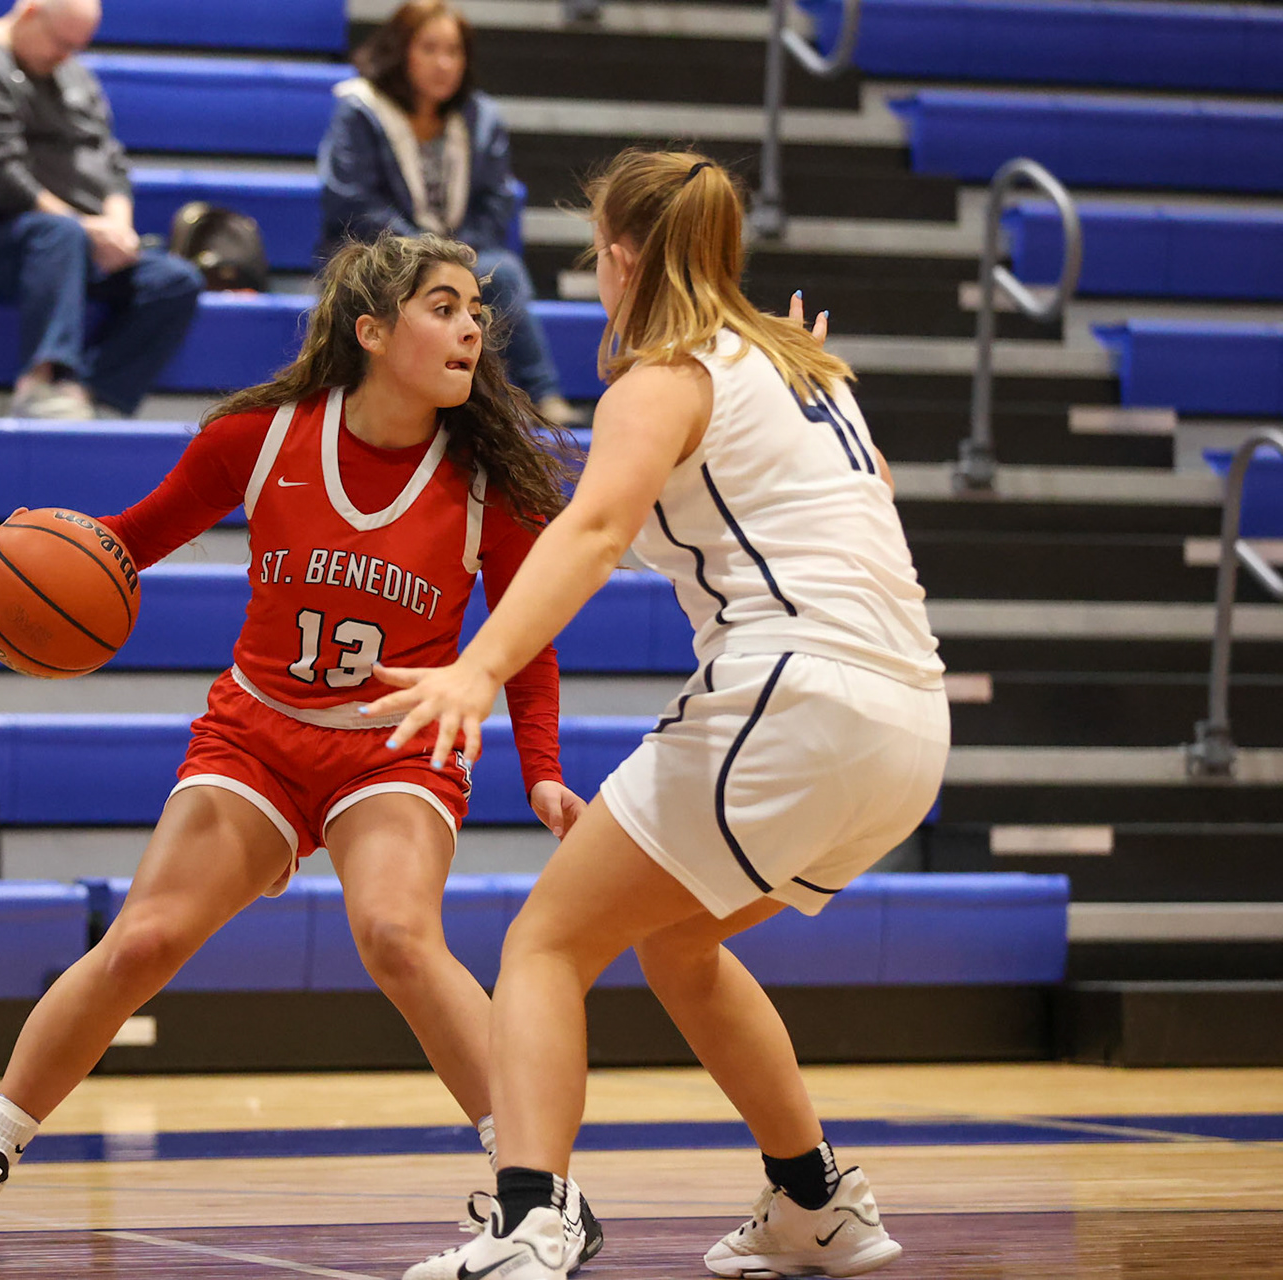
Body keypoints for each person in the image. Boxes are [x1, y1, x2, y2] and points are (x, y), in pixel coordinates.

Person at [0, 233, 606, 1272]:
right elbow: (123, 541)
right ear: (372, 331)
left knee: (399, 934)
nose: (473, 328)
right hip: (258, 735)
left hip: (393, 749)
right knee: (141, 941)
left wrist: (541, 764)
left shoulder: (485, 483)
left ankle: (535, 1194)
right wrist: (15, 554)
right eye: (445, 307)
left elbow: (525, 635)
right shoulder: (260, 436)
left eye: (477, 312)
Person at [371, 150, 948, 1280]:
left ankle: (531, 1217)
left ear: (626, 259)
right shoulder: (811, 368)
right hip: (910, 722)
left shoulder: (665, 374)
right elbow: (869, 494)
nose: (595, 274)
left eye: (597, 254)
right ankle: (816, 1197)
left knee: (544, 941)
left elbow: (590, 537)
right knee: (681, 945)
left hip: (798, 694)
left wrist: (477, 669)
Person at [0, 0, 204, 419]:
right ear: (31, 14)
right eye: (60, 43)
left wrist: (117, 225)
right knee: (58, 235)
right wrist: (84, 227)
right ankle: (39, 382)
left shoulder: (72, 75)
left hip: (71, 240)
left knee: (175, 280)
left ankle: (90, 397)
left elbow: (111, 162)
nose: (66, 55)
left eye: (76, 47)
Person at [318, 1, 575, 426]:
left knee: (501, 272)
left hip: (461, 255)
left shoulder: (481, 118)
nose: (444, 63)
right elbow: (353, 203)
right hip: (377, 259)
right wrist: (424, 252)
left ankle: (538, 398)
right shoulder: (359, 111)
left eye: (454, 52)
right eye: (430, 49)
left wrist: (454, 255)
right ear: (401, 52)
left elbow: (495, 204)